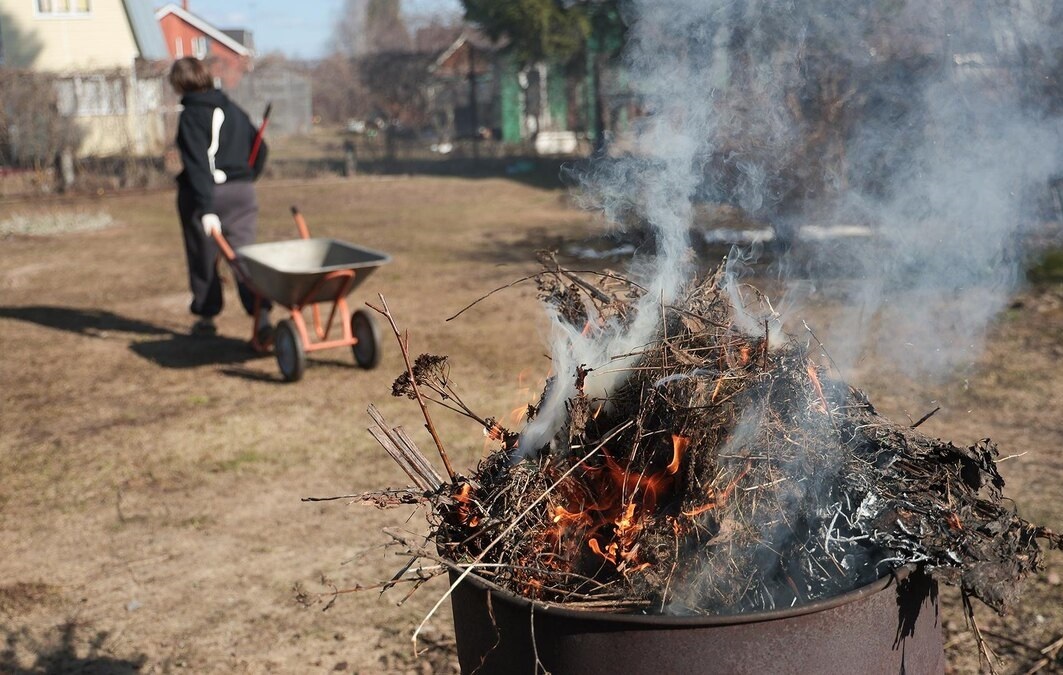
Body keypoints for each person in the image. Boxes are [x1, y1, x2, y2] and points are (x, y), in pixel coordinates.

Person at [169, 57, 270, 340]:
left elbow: (198, 166)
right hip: (242, 194)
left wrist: (206, 208)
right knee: (243, 257)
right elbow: (261, 148)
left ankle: (206, 315)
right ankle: (261, 316)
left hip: (206, 195)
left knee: (203, 258)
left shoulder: (191, 115)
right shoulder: (233, 109)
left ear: (179, 84)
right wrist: (246, 177)